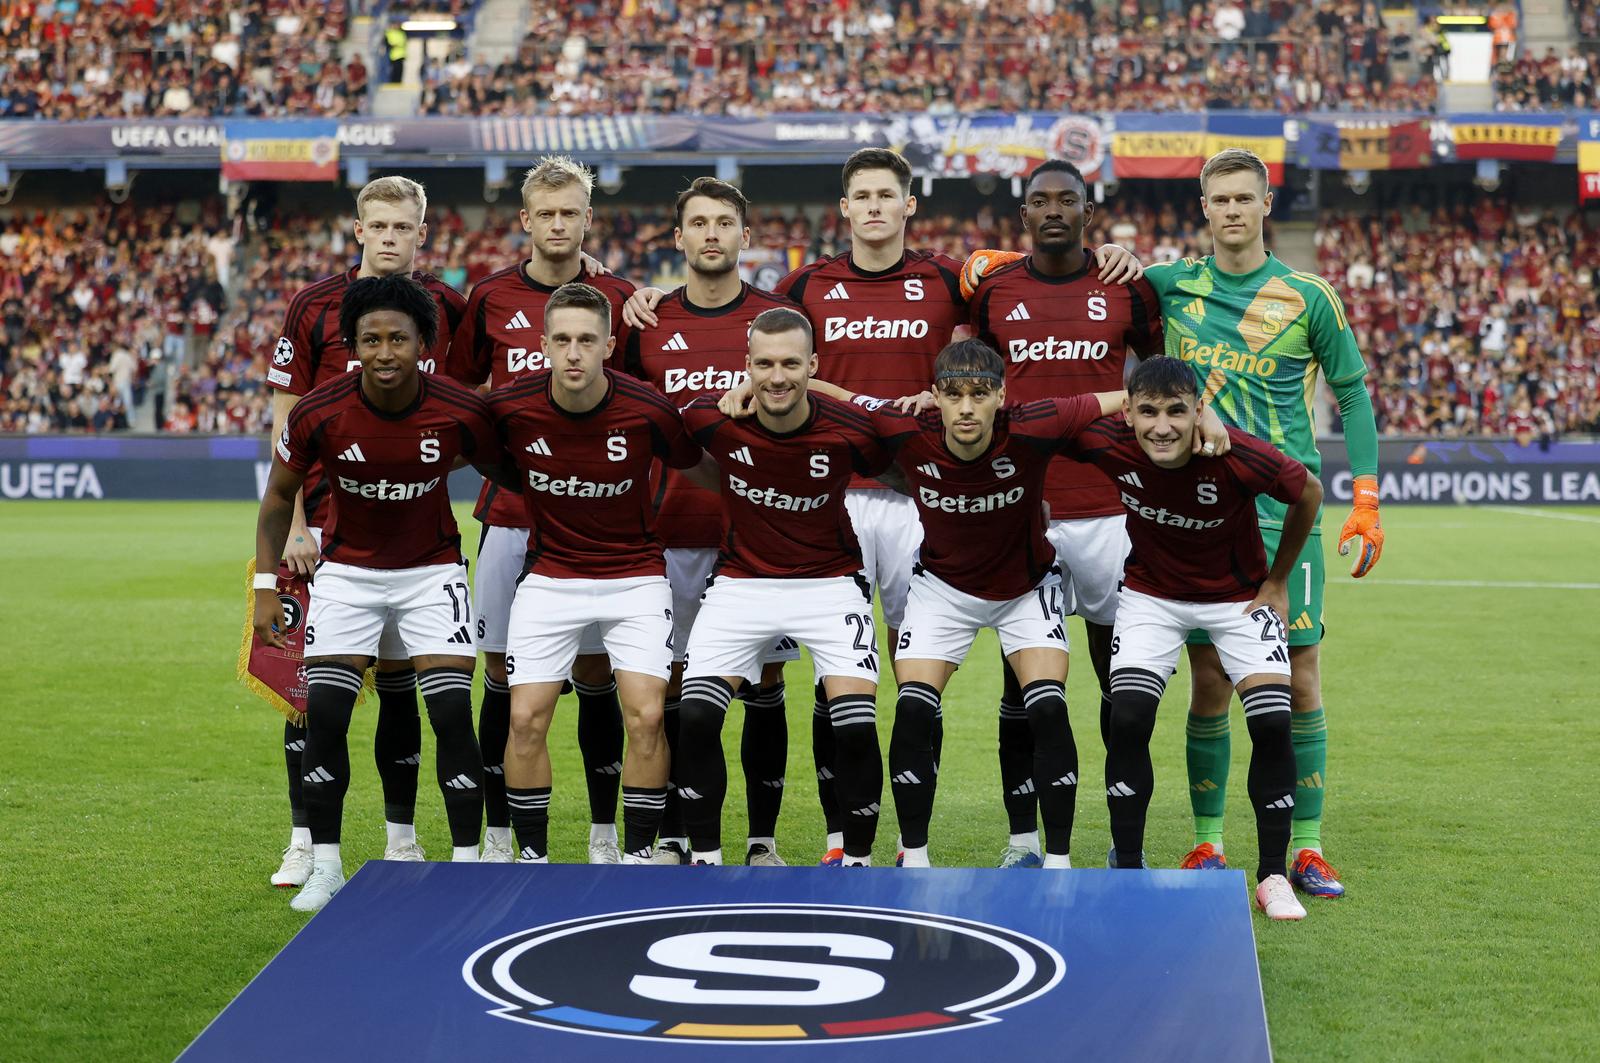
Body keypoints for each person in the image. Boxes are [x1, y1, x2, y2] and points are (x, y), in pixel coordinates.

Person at [627, 148, 1141, 864]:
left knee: (907, 679)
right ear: (844, 209)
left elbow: (1026, 283)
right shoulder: (805, 285)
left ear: (908, 206)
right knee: (837, 670)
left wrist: (1105, 253)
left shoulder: (949, 281)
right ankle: (842, 837)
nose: (872, 206)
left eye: (885, 195)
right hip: (830, 493)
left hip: (913, 498)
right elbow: (753, 334)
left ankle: (910, 841)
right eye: (859, 195)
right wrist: (640, 295)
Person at [1143, 149, 1382, 897]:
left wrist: (1367, 498)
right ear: (1204, 207)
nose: (1233, 210)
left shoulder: (1308, 296)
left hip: (1287, 514)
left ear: (1267, 203)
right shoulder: (1170, 285)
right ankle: (1208, 842)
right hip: (1203, 512)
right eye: (1220, 199)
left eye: (1245, 197)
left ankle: (1305, 846)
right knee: (1209, 677)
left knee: (1301, 673)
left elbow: (1353, 395)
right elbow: (1088, 282)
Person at [253, 275, 516, 912]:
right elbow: (278, 499)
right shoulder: (321, 410)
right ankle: (326, 867)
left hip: (432, 575)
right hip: (346, 576)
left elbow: (517, 476)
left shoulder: (460, 410)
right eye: (371, 339)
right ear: (352, 345)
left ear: (423, 343)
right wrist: (266, 587)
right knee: (327, 719)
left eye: (399, 338)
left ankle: (465, 866)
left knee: (451, 714)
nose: (385, 351)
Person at [1064, 357, 1322, 921]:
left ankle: (1273, 874)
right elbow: (1039, 423)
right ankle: (1127, 867)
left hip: (1238, 600)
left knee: (1273, 721)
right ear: (1128, 412)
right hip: (1150, 597)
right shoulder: (1110, 440)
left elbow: (1310, 492)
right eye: (1148, 411)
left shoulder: (1239, 456)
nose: (1162, 427)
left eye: (1177, 412)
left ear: (1199, 411)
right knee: (1128, 715)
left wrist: (1277, 580)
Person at [263, 175, 466, 888]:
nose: (388, 237)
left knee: (405, 687)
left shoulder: (447, 308)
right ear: (357, 230)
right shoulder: (312, 306)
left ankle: (401, 837)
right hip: (318, 529)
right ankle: (301, 838)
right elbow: (286, 419)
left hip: (412, 534)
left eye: (401, 226)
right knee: (305, 692)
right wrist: (291, 525)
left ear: (421, 232)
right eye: (376, 225)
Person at [969, 159, 1164, 868]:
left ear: (1089, 210)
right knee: (1022, 685)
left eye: (1067, 200)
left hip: (1111, 511)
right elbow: (972, 390)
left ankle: (1122, 842)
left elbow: (1162, 379)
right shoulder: (994, 292)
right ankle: (1023, 841)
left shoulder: (1126, 287)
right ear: (1023, 216)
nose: (1054, 210)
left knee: (1123, 684)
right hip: (1026, 512)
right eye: (1039, 201)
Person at [446, 155, 635, 865]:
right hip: (511, 516)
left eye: (571, 213)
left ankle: (605, 833)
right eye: (546, 214)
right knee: (500, 674)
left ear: (588, 219)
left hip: (596, 524)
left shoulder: (621, 297)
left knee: (595, 677)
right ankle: (500, 831)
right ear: (525, 220)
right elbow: (461, 395)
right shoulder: (490, 297)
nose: (558, 225)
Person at [488, 283, 715, 865]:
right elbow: (463, 450)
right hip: (549, 578)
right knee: (524, 718)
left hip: (636, 578)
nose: (572, 353)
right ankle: (533, 860)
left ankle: (637, 859)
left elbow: (707, 470)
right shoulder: (511, 408)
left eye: (586, 340)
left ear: (609, 345)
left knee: (646, 714)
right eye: (560, 340)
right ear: (541, 345)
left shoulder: (647, 408)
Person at [616, 176, 801, 866]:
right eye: (699, 223)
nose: (713, 233)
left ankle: (761, 838)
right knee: (668, 687)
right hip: (666, 536)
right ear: (680, 237)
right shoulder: (647, 321)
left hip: (757, 538)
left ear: (745, 237)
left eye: (725, 222)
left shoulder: (776, 320)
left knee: (765, 684)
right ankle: (673, 833)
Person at [675, 308, 892, 866]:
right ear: (745, 367)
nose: (777, 377)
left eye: (792, 364)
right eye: (764, 365)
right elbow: (683, 424)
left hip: (830, 584)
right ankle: (705, 859)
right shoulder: (714, 419)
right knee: (696, 715)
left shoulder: (849, 430)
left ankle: (859, 862)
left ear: (812, 366)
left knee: (856, 725)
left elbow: (905, 456)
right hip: (741, 583)